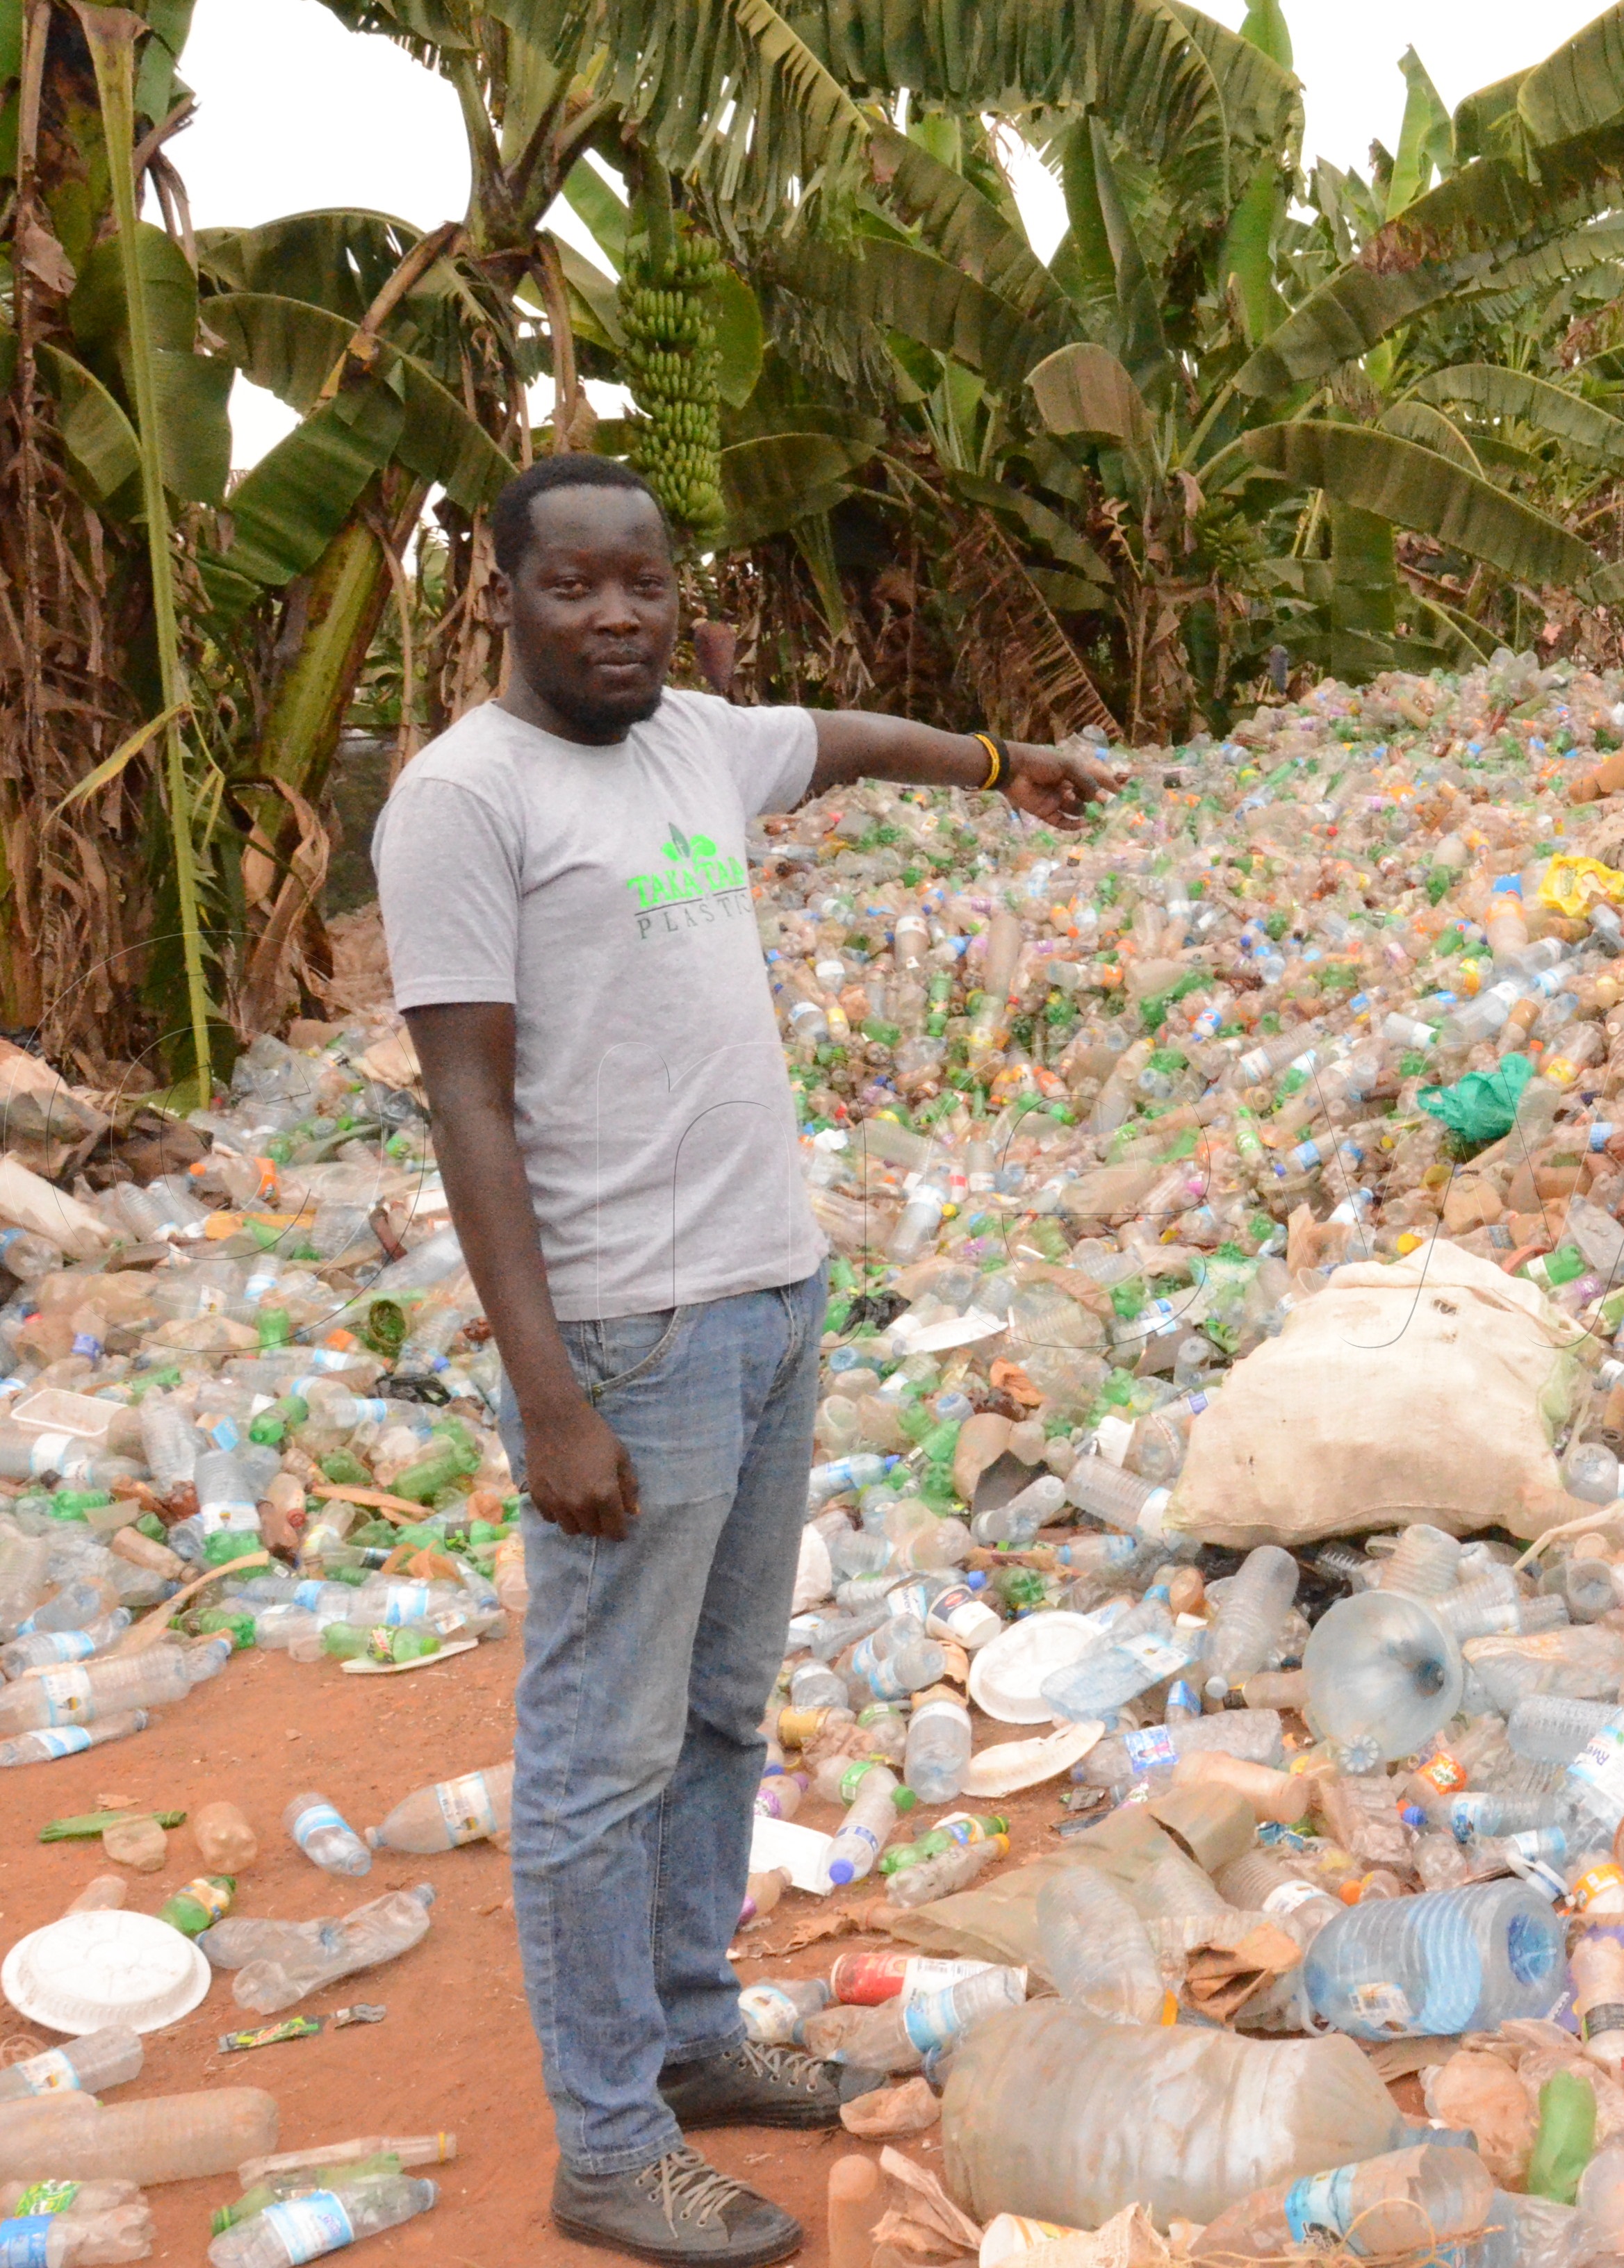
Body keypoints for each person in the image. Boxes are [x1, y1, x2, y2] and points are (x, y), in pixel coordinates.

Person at [372, 453, 1126, 2268]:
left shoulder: (695, 741)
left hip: (775, 1300)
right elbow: (466, 1100)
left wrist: (995, 761)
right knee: (598, 1755)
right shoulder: (463, 799)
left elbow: (841, 741)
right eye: (574, 585)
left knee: (721, 1713)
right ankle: (609, 2143)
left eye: (643, 581)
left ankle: (693, 2036)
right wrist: (549, 1394)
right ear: (504, 597)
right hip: (626, 1335)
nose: (616, 615)